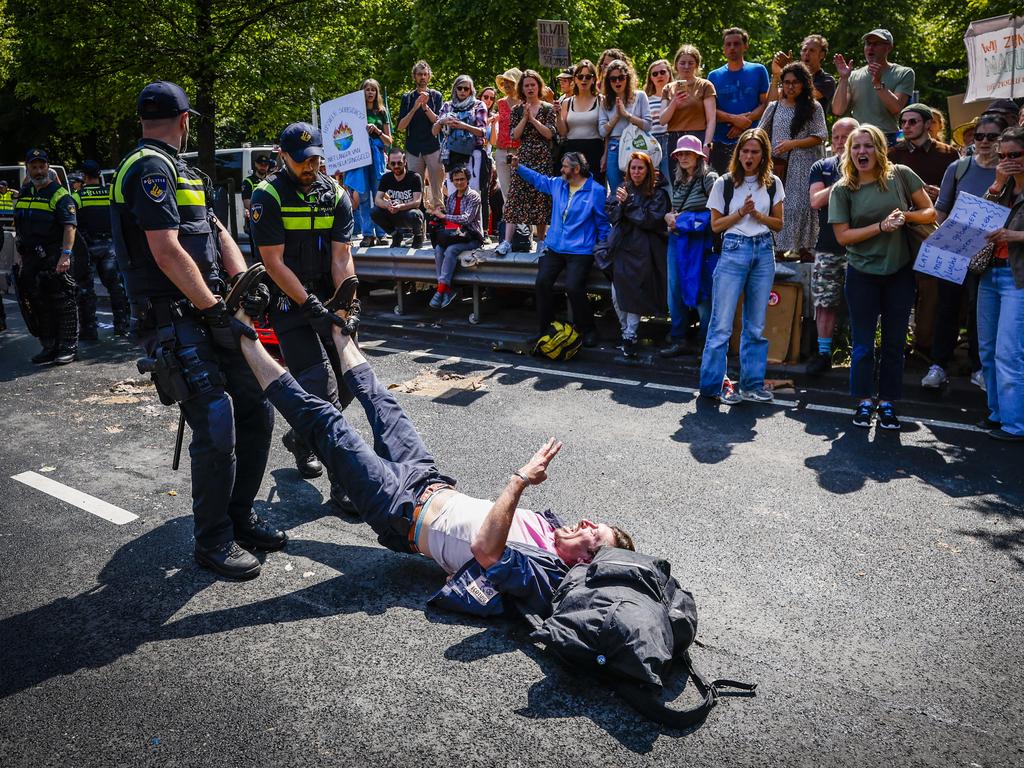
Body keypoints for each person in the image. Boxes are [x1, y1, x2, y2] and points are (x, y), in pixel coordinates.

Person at [228, 285, 635, 615]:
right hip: (426, 478)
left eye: (592, 536)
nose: (585, 523)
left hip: (397, 510)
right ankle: (339, 328)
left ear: (585, 563)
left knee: (327, 423)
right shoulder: (551, 529)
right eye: (593, 523)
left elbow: (484, 551)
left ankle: (243, 335)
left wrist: (520, 480)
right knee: (383, 402)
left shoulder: (540, 575)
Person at [110, 81, 281, 579]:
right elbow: (165, 249)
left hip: (209, 312)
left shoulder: (185, 170)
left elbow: (218, 230)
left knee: (255, 407)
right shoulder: (147, 168)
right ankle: (213, 540)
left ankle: (239, 514)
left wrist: (247, 280)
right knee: (216, 421)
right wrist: (212, 308)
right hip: (174, 318)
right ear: (185, 121)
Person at [249, 121, 361, 510]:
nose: (310, 166)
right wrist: (309, 305)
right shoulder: (268, 196)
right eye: (302, 161)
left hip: (328, 297)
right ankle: (343, 481)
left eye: (315, 158)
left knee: (350, 380)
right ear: (283, 157)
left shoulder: (336, 195)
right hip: (288, 303)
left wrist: (346, 304)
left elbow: (341, 256)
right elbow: (273, 263)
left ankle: (301, 435)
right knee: (320, 387)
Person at [828, 124, 936, 430]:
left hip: (899, 272)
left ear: (880, 149)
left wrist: (905, 216)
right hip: (862, 274)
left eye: (868, 146)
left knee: (894, 342)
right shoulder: (843, 189)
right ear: (849, 152)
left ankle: (888, 402)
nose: (862, 152)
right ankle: (863, 401)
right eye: (856, 147)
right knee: (863, 344)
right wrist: (880, 227)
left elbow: (930, 213)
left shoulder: (900, 174)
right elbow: (843, 237)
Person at [699, 128, 785, 404]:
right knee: (721, 325)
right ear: (738, 154)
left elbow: (778, 224)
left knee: (755, 326)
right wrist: (740, 213)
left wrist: (757, 215)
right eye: (745, 151)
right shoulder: (724, 183)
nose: (749, 156)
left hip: (763, 249)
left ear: (763, 155)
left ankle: (751, 384)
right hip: (734, 248)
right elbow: (715, 225)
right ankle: (713, 386)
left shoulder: (772, 183)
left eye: (755, 152)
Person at [923, 114, 1008, 391]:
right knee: (946, 307)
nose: (983, 142)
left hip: (990, 255)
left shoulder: (1009, 171)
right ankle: (938, 365)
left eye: (991, 137)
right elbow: (942, 208)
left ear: (1003, 139)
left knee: (978, 311)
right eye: (979, 136)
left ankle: (978, 367)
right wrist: (943, 236)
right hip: (955, 250)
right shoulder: (958, 168)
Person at [512, 151, 609, 346]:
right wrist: (518, 168)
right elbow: (539, 180)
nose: (561, 169)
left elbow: (602, 223)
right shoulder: (558, 184)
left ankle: (588, 329)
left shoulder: (596, 191)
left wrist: (603, 247)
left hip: (581, 250)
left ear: (576, 169)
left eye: (565, 166)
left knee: (573, 287)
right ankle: (546, 330)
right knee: (542, 283)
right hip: (555, 247)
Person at [977, 125, 1024, 442]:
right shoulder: (1003, 187)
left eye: (1015, 155)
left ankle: (1015, 423)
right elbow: (977, 217)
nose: (1008, 161)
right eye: (1003, 156)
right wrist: (996, 182)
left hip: (1016, 277)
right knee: (988, 349)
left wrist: (1015, 236)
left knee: (1009, 352)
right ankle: (997, 413)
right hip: (990, 273)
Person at [13, 148, 79, 365]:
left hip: (53, 256)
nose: (39, 171)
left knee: (62, 302)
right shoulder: (25, 193)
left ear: (48, 167)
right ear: (28, 168)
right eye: (34, 167)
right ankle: (49, 346)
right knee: (38, 304)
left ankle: (67, 347)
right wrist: (22, 256)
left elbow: (70, 227)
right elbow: (21, 226)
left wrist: (65, 255)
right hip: (31, 258)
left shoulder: (59, 194)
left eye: (42, 166)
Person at [806, 117, 860, 374]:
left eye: (845, 137)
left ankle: (861, 353)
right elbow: (816, 201)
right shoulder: (822, 166)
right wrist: (844, 180)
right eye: (835, 137)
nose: (839, 142)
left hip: (861, 247)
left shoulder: (870, 165)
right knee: (824, 302)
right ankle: (823, 353)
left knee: (864, 303)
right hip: (828, 245)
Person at [606, 151, 670, 359]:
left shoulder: (658, 193)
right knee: (617, 295)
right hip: (622, 248)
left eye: (640, 168)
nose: (636, 172)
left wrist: (628, 205)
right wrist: (621, 205)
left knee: (633, 294)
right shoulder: (622, 189)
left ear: (648, 170)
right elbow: (613, 216)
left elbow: (650, 220)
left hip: (644, 250)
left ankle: (630, 335)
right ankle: (626, 332)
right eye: (632, 168)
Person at [759, 62, 827, 258]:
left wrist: (793, 144)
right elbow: (761, 132)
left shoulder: (814, 107)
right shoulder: (775, 106)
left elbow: (820, 135)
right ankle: (779, 249)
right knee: (780, 205)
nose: (790, 86)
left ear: (804, 83)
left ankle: (805, 247)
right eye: (786, 82)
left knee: (803, 205)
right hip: (779, 165)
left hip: (805, 163)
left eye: (795, 82)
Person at [662, 135, 719, 357]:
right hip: (677, 240)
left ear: (698, 156)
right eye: (680, 154)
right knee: (674, 290)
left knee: (701, 290)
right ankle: (679, 338)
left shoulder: (709, 178)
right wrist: (669, 217)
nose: (683, 158)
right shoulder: (678, 179)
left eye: (688, 153)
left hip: (700, 242)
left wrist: (683, 220)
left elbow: (716, 212)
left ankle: (705, 341)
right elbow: (675, 211)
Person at [497, 70, 557, 257]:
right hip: (523, 156)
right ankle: (506, 241)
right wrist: (525, 118)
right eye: (526, 85)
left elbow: (550, 134)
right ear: (522, 88)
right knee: (515, 197)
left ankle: (541, 241)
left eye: (533, 84)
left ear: (538, 86)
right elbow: (514, 135)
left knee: (541, 199)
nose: (530, 88)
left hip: (542, 156)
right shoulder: (517, 110)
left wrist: (534, 120)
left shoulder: (547, 108)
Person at [72, 159, 131, 337]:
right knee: (117, 287)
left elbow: (71, 225)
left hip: (86, 247)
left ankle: (89, 328)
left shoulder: (77, 197)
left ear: (83, 176)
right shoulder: (110, 193)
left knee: (85, 288)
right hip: (110, 246)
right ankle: (122, 325)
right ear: (99, 175)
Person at [832, 29, 914, 146]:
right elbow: (838, 110)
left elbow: (896, 108)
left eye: (876, 44)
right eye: (868, 44)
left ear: (888, 48)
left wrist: (877, 83)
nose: (870, 48)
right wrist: (844, 78)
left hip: (887, 138)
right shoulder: (853, 76)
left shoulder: (904, 73)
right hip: (858, 138)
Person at [707, 28, 770, 175]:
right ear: (723, 49)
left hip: (754, 142)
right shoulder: (713, 76)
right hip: (721, 142)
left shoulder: (759, 70)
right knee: (724, 187)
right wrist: (734, 119)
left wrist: (745, 121)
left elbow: (765, 104)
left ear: (745, 46)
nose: (732, 48)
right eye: (728, 44)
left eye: (736, 44)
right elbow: (710, 110)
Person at [428, 165, 483, 309]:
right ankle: (446, 290)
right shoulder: (451, 197)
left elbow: (466, 219)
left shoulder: (474, 196)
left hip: (472, 236)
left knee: (451, 250)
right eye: (456, 179)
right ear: (452, 181)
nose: (459, 182)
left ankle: (440, 291)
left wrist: (444, 215)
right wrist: (438, 214)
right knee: (439, 248)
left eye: (462, 179)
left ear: (467, 180)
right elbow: (449, 221)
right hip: (455, 235)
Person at [660, 44, 717, 178]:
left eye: (690, 63)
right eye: (682, 63)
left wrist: (707, 146)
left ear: (697, 65)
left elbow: (711, 120)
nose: (686, 66)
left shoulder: (705, 85)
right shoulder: (668, 88)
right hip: (675, 140)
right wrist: (674, 102)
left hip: (697, 138)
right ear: (676, 65)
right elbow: (662, 120)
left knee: (699, 181)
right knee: (677, 182)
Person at [598, 59, 652, 195]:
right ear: (608, 81)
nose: (617, 82)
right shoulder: (604, 101)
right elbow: (602, 131)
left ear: (628, 78)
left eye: (621, 78)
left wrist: (627, 115)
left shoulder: (640, 96)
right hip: (614, 146)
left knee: (639, 188)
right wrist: (617, 116)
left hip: (637, 145)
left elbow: (648, 125)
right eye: (613, 79)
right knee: (617, 190)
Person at [397, 60, 445, 209]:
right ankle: (417, 223)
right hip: (413, 148)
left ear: (429, 77)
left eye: (425, 74)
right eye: (419, 74)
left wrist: (425, 107)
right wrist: (414, 107)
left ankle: (438, 222)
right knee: (415, 190)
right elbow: (400, 127)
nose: (422, 77)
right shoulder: (408, 98)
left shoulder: (436, 96)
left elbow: (439, 122)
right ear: (414, 77)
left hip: (433, 147)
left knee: (437, 190)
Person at [354, 78, 393, 248]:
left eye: (373, 90)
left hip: (377, 157)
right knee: (363, 197)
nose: (370, 92)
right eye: (367, 89)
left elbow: (389, 141)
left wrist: (377, 132)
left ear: (377, 93)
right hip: (360, 158)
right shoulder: (354, 111)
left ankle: (382, 232)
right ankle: (367, 234)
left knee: (379, 195)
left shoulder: (382, 112)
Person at [557, 59, 604, 187]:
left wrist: (605, 155)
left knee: (594, 190)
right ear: (575, 79)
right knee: (572, 190)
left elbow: (607, 131)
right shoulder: (567, 102)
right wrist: (557, 114)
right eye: (580, 76)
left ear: (594, 79)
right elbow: (563, 132)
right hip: (572, 150)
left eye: (588, 76)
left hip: (595, 150)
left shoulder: (600, 100)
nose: (584, 80)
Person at [370, 147, 425, 247]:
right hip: (393, 213)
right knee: (374, 212)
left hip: (409, 214)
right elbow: (377, 200)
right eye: (393, 163)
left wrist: (400, 206)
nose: (396, 166)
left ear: (405, 162)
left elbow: (417, 202)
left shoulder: (415, 177)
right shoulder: (386, 178)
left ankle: (418, 236)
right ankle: (396, 235)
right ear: (388, 163)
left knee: (415, 215)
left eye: (399, 163)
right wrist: (387, 205)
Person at [769, 35, 837, 114]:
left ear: (822, 55)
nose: (807, 53)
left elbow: (805, 95)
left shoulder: (826, 80)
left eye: (812, 50)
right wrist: (776, 76)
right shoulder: (788, 77)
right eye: (804, 50)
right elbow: (771, 105)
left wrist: (792, 71)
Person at [644, 59, 673, 182]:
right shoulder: (646, 99)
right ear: (650, 78)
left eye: (662, 72)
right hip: (651, 141)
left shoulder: (676, 97)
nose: (659, 76)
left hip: (670, 139)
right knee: (652, 181)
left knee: (669, 179)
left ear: (669, 74)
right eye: (654, 74)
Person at [241, 152, 272, 230]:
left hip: (270, 220)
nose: (263, 167)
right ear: (256, 164)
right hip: (256, 219)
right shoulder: (248, 181)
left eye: (265, 165)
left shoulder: (271, 181)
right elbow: (247, 203)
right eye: (261, 165)